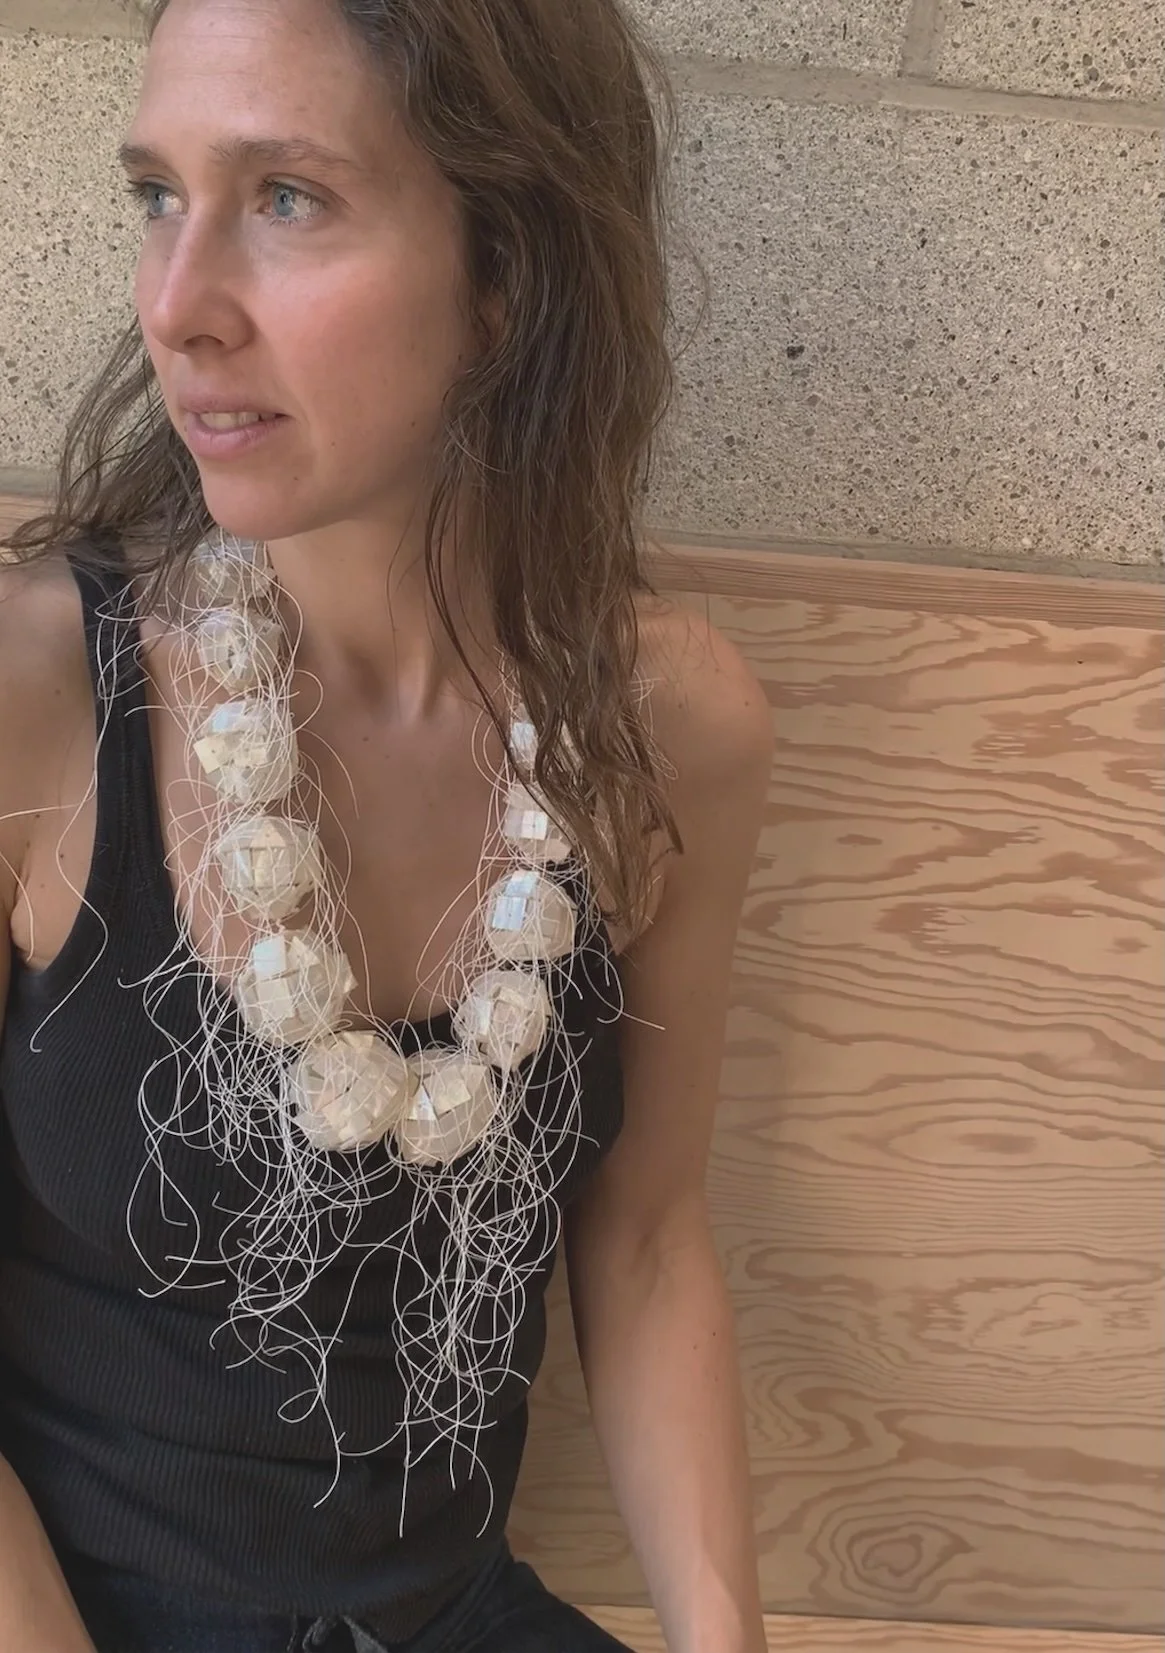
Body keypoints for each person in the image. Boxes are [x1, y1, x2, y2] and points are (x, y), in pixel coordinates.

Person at [0, 0, 773, 1648]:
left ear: (509, 273)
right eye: (158, 194)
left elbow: (643, 1244)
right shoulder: (38, 691)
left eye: (287, 197)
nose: (175, 304)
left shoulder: (663, 732)